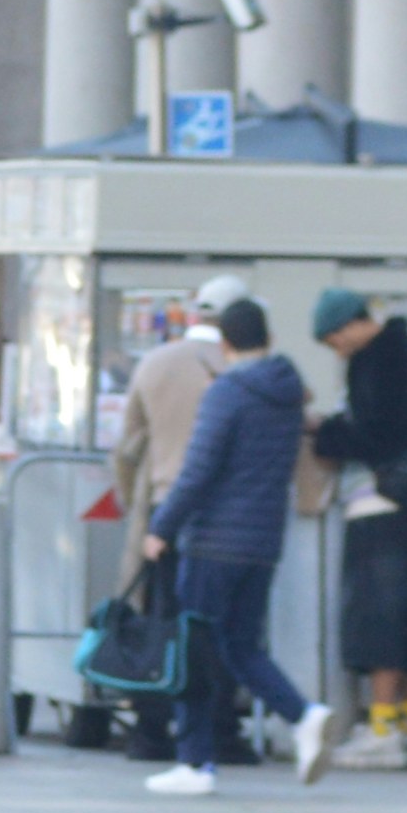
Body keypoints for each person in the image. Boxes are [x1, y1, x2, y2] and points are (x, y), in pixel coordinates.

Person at [110, 276, 318, 768]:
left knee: (179, 637)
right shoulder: (287, 386)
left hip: (191, 518)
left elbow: (146, 453)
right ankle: (226, 734)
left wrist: (151, 521)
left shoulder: (178, 371)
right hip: (261, 533)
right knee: (235, 641)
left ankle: (167, 739)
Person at [301, 287, 407, 773]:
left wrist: (323, 431)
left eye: (334, 340)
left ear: (348, 326)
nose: (337, 350)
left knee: (382, 616)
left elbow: (370, 432)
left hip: (386, 498)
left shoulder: (373, 359)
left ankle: (381, 729)